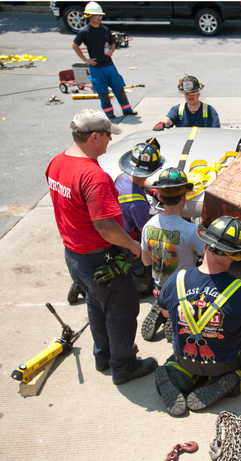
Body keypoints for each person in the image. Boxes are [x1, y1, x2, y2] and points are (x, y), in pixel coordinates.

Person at [45, 109, 157, 385]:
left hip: (75, 256)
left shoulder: (57, 163)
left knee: (96, 305)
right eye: (108, 136)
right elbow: (105, 226)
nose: (110, 142)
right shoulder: (92, 175)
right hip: (100, 258)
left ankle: (104, 356)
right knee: (122, 311)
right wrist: (132, 245)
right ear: (94, 136)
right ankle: (123, 366)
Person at [154, 216, 241, 417]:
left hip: (185, 357)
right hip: (224, 363)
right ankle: (233, 378)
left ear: (205, 245)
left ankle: (176, 374)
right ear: (234, 255)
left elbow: (164, 314)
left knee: (177, 358)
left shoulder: (176, 280)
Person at [140, 168, 205, 342]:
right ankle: (176, 316)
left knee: (166, 296)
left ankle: (163, 307)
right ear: (184, 196)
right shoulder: (191, 231)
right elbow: (209, 263)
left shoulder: (148, 225)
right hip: (183, 291)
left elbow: (146, 261)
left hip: (159, 285)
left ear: (160, 197)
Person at [115, 137, 165, 296]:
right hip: (128, 240)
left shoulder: (122, 177)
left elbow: (139, 179)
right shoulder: (138, 205)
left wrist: (153, 190)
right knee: (145, 279)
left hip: (118, 228)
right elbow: (146, 234)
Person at [72, 2, 137, 119]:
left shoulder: (105, 29)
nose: (99, 18)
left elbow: (113, 43)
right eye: (96, 16)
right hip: (96, 67)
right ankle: (109, 112)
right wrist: (86, 60)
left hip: (109, 65)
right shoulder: (84, 31)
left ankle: (127, 109)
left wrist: (112, 50)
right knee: (103, 91)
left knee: (119, 87)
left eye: (100, 15)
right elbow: (75, 45)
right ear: (89, 16)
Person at [153, 75, 220, 131]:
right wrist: (161, 123)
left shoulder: (210, 111)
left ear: (198, 94)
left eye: (192, 93)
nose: (189, 96)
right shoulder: (178, 109)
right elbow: (168, 119)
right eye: (186, 94)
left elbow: (215, 133)